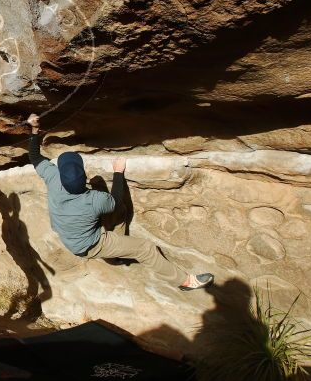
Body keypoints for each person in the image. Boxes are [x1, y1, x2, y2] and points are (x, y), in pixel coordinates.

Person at [26, 113, 213, 291]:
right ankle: (186, 282)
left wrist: (34, 130)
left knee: (120, 214)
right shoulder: (95, 200)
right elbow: (115, 199)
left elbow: (35, 157)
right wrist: (118, 172)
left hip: (69, 232)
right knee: (145, 248)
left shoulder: (53, 177)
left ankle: (118, 254)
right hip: (90, 246)